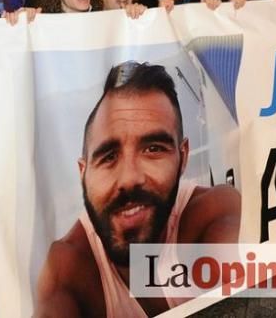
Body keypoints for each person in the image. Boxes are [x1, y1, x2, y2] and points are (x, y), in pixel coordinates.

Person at [35, 62, 241, 317]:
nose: (130, 178)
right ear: (83, 173)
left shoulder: (213, 212)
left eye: (153, 149)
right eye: (109, 157)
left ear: (182, 156)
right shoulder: (69, 267)